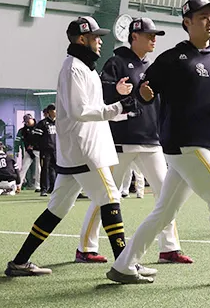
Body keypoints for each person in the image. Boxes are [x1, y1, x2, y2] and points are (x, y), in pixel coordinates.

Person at [108, 0, 210, 285]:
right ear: (187, 23)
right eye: (202, 17)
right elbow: (144, 89)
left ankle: (124, 265)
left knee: (164, 212)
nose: (209, 22)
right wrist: (144, 94)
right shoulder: (171, 59)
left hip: (202, 145)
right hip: (186, 143)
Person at [5, 16, 141, 278]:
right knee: (110, 198)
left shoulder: (84, 67)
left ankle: (19, 262)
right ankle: (124, 265)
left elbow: (92, 108)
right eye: (95, 37)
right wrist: (118, 107)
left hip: (78, 149)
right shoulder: (73, 68)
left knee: (57, 208)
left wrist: (123, 111)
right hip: (85, 149)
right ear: (82, 39)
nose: (100, 41)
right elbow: (80, 111)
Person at [78, 17, 193, 265]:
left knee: (165, 195)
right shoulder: (116, 62)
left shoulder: (154, 67)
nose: (154, 39)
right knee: (105, 196)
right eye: (149, 35)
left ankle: (169, 248)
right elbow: (100, 96)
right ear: (134, 37)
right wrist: (115, 91)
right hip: (120, 142)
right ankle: (86, 247)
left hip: (152, 141)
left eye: (155, 36)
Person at [35, 105, 58, 196]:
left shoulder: (59, 122)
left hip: (56, 150)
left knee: (56, 169)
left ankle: (53, 188)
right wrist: (42, 147)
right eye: (53, 110)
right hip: (45, 151)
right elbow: (36, 137)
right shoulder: (42, 123)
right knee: (45, 169)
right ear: (50, 112)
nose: (55, 112)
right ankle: (43, 189)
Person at [16, 114, 41, 192]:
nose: (27, 123)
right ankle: (18, 186)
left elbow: (40, 139)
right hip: (28, 151)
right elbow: (25, 141)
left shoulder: (39, 127)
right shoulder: (23, 130)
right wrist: (29, 150)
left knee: (38, 169)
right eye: (25, 122)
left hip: (38, 150)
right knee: (24, 168)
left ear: (32, 119)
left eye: (28, 121)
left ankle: (38, 186)